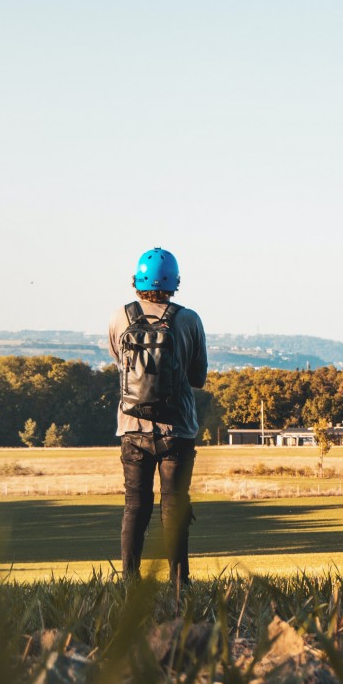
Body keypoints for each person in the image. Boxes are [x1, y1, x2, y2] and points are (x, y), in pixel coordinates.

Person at [108, 247, 208, 593]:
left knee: (135, 505)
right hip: (177, 429)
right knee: (175, 503)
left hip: (131, 428)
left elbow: (120, 363)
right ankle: (180, 582)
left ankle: (129, 581)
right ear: (174, 282)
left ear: (136, 281)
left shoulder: (120, 317)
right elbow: (198, 377)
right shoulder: (189, 319)